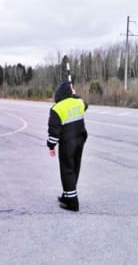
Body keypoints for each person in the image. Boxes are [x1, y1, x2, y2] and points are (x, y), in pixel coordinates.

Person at [47, 82, 88, 211]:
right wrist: (75, 96)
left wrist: (51, 145)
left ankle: (72, 203)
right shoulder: (79, 102)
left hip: (67, 144)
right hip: (80, 141)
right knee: (75, 168)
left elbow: (54, 132)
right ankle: (67, 194)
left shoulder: (57, 108)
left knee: (67, 171)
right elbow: (85, 105)